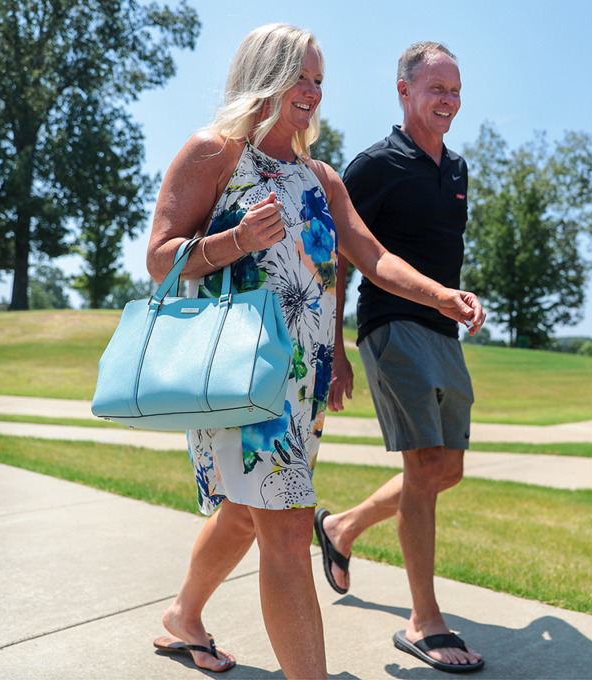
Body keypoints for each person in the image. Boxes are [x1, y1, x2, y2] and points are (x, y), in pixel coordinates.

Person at [146, 25, 485, 679]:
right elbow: (160, 261)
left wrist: (440, 294)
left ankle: (183, 618)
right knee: (288, 527)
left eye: (319, 81)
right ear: (263, 77)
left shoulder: (319, 177)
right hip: (238, 372)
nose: (312, 92)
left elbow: (373, 256)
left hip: (300, 381)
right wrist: (233, 242)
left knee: (249, 514)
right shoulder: (215, 152)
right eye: (300, 77)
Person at [318, 42, 485, 673]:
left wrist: (458, 304)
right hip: (392, 326)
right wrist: (335, 346)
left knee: (447, 469)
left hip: (442, 329)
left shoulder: (458, 169)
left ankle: (340, 528)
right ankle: (424, 620)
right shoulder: (375, 165)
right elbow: (339, 255)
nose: (448, 100)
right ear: (404, 91)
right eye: (436, 88)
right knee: (424, 471)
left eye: (455, 89)